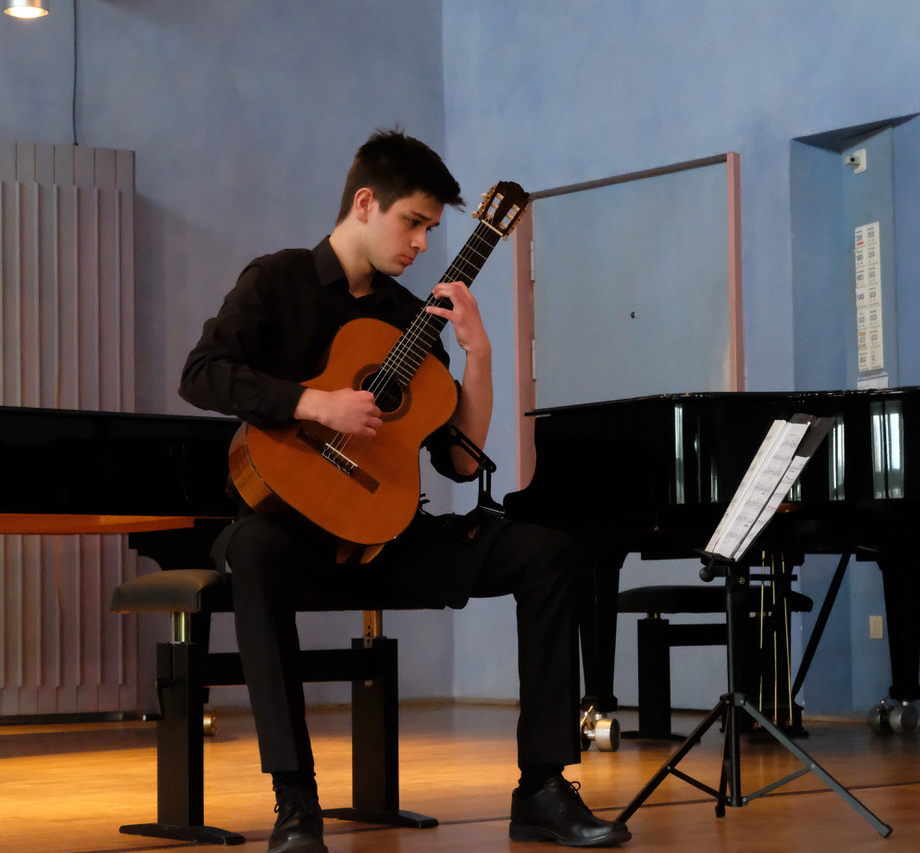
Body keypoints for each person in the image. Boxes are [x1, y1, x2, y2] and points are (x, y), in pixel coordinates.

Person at [179, 128, 630, 852]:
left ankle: (541, 787)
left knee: (548, 553)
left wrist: (477, 355)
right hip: (288, 526)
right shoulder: (276, 281)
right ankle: (296, 803)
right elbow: (200, 373)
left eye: (430, 229)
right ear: (365, 202)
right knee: (255, 554)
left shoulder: (408, 319)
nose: (421, 243)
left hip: (385, 530)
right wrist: (314, 403)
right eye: (413, 222)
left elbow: (455, 460)